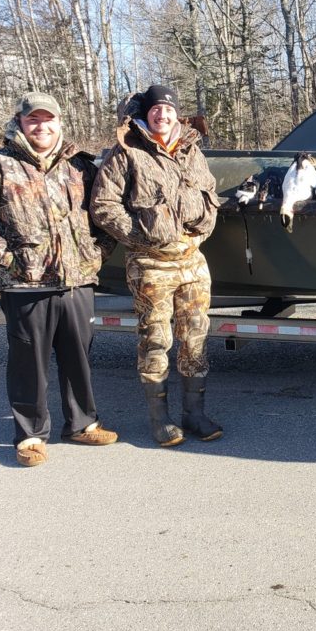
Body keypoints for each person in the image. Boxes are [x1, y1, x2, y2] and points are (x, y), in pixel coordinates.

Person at [0, 92, 118, 466]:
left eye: (48, 119)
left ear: (59, 122)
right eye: (33, 120)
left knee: (79, 358)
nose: (42, 126)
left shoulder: (81, 167)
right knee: (29, 363)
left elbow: (104, 216)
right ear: (20, 123)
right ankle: (30, 436)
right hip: (25, 285)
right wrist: (11, 260)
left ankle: (83, 424)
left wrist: (96, 254)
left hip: (77, 281)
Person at [90, 85, 221, 447]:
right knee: (156, 339)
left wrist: (203, 227)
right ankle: (160, 419)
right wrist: (140, 236)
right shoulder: (127, 152)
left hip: (192, 260)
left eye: (168, 109)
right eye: (155, 109)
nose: (162, 114)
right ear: (145, 114)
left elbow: (210, 194)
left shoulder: (191, 150)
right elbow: (103, 205)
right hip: (151, 263)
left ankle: (194, 414)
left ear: (177, 114)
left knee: (195, 336)